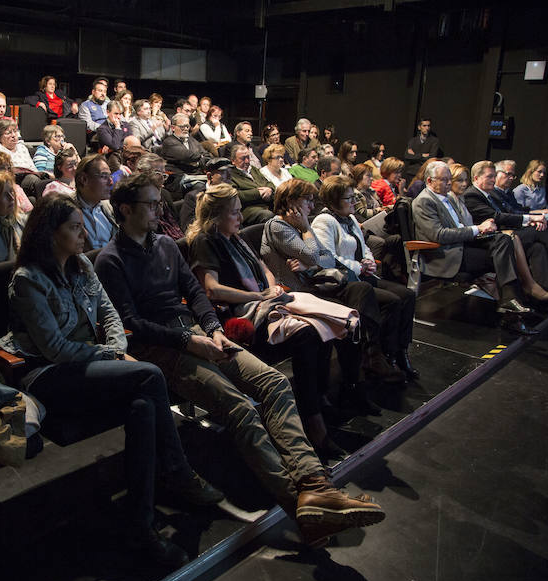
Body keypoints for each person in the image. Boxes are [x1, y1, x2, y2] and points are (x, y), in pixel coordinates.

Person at [96, 172, 386, 535]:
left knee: (274, 383)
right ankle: (299, 502)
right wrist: (189, 341)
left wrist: (214, 330)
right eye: (150, 204)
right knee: (239, 406)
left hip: (198, 331)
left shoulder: (166, 246)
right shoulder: (110, 260)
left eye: (158, 202)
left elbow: (195, 293)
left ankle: (315, 483)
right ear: (125, 209)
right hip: (161, 347)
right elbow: (131, 322)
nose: (159, 209)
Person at [0, 194, 223, 567]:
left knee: (141, 407)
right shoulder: (28, 281)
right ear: (50, 234)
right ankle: (178, 472)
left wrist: (116, 348)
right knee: (150, 375)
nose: (83, 233)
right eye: (74, 227)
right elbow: (54, 349)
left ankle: (140, 524)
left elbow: (111, 313)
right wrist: (111, 355)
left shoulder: (82, 266)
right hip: (46, 374)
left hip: (90, 366)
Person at [259, 178, 397, 411]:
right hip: (297, 295)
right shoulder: (278, 226)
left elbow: (325, 258)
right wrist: (306, 234)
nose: (311, 207)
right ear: (291, 202)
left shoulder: (301, 223)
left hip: (316, 286)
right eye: (307, 200)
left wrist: (307, 260)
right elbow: (314, 256)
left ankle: (366, 363)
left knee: (360, 295)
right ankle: (356, 382)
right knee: (347, 320)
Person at [411, 161, 539, 335]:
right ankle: (512, 308)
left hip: (462, 247)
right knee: (503, 256)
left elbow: (462, 225)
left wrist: (483, 229)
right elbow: (439, 235)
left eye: (450, 179)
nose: (449, 183)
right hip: (445, 255)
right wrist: (477, 229)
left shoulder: (449, 197)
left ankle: (510, 303)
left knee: (503, 240)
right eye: (444, 180)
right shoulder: (424, 201)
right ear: (429, 181)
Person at [311, 175, 417, 378]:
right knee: (392, 301)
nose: (353, 202)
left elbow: (364, 245)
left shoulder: (349, 218)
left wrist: (368, 261)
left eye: (353, 197)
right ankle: (374, 354)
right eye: (348, 198)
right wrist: (359, 266)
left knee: (407, 295)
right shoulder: (324, 221)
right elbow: (327, 258)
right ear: (333, 201)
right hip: (344, 280)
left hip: (362, 274)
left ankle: (398, 352)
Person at [463, 160, 548, 300]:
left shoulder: (490, 195)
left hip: (507, 233)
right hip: (490, 239)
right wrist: (531, 219)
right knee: (539, 231)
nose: (493, 179)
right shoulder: (472, 195)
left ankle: (545, 294)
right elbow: (497, 217)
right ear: (476, 178)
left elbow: (511, 212)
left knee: (537, 248)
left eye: (494, 176)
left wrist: (530, 220)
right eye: (489, 176)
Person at [73, 154, 116, 250]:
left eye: (110, 176)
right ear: (84, 179)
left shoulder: (110, 207)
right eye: (104, 176)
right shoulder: (67, 210)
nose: (111, 182)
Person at [135, 153, 183, 240]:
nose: (161, 179)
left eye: (164, 175)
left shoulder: (165, 194)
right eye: (157, 173)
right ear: (141, 173)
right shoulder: (136, 199)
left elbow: (177, 223)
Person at [179, 157, 233, 231]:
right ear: (210, 176)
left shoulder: (231, 193)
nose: (229, 176)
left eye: (230, 172)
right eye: (224, 172)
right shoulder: (193, 197)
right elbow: (188, 227)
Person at [227, 143, 274, 225]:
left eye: (248, 157)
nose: (247, 161)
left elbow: (268, 183)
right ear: (233, 161)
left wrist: (270, 190)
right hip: (248, 209)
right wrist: (258, 193)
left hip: (267, 203)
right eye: (243, 158)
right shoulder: (230, 175)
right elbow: (236, 195)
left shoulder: (253, 170)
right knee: (268, 215)